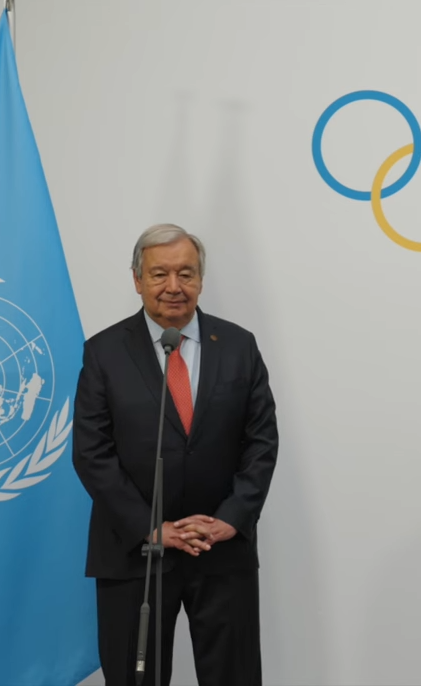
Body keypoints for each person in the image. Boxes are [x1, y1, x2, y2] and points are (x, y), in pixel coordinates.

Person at [72, 223, 279, 686]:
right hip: (136, 552)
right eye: (159, 274)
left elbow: (261, 440)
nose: (173, 286)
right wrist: (150, 526)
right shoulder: (104, 352)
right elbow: (91, 452)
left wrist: (231, 518)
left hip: (220, 547)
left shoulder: (239, 345)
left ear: (201, 279)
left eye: (186, 273)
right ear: (137, 279)